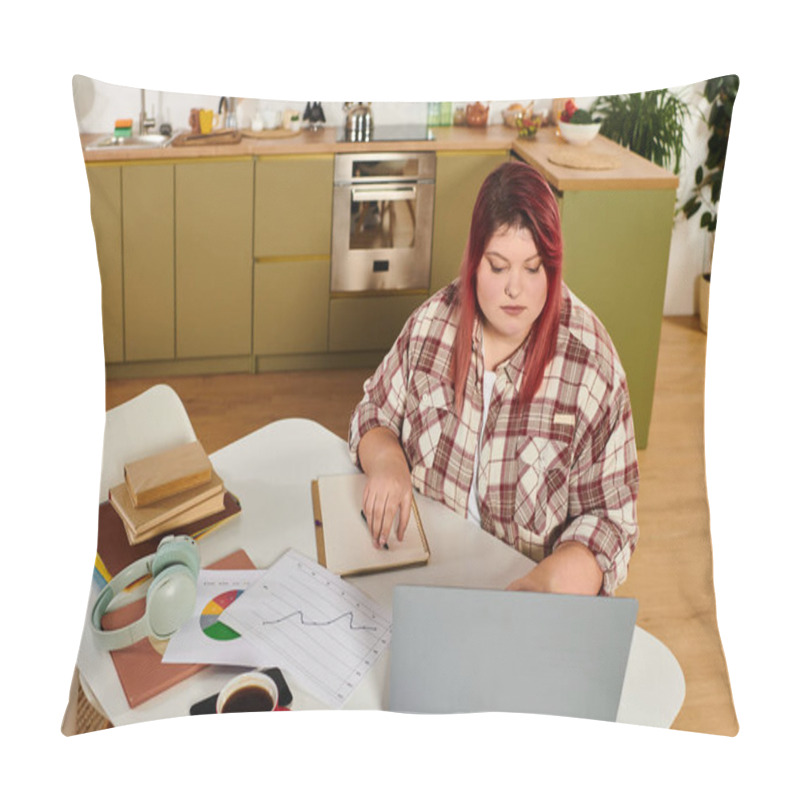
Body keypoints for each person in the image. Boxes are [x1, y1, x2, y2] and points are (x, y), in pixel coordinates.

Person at [348, 161, 638, 596]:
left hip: (522, 600)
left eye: (534, 267)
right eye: (499, 267)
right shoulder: (432, 325)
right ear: (474, 261)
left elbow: (610, 522)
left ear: (554, 266)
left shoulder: (592, 365)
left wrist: (546, 584)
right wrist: (388, 461)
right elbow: (373, 414)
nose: (515, 290)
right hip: (419, 578)